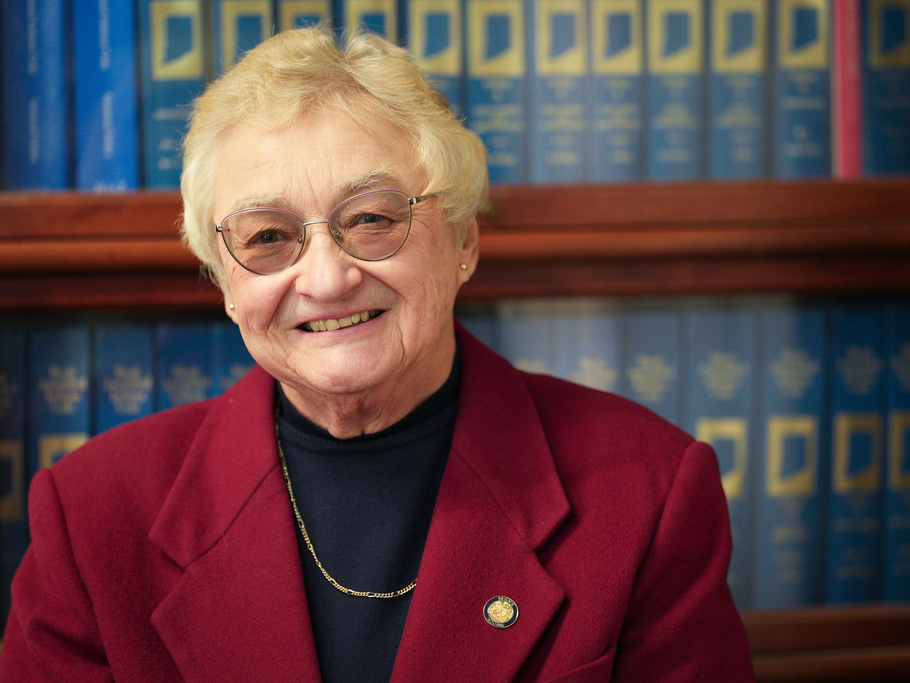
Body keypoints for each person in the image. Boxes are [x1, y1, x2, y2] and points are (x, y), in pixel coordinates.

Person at [0, 27, 754, 682]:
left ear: (464, 241)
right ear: (224, 281)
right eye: (267, 236)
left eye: (371, 218)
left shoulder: (648, 492)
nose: (327, 278)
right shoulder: (91, 516)